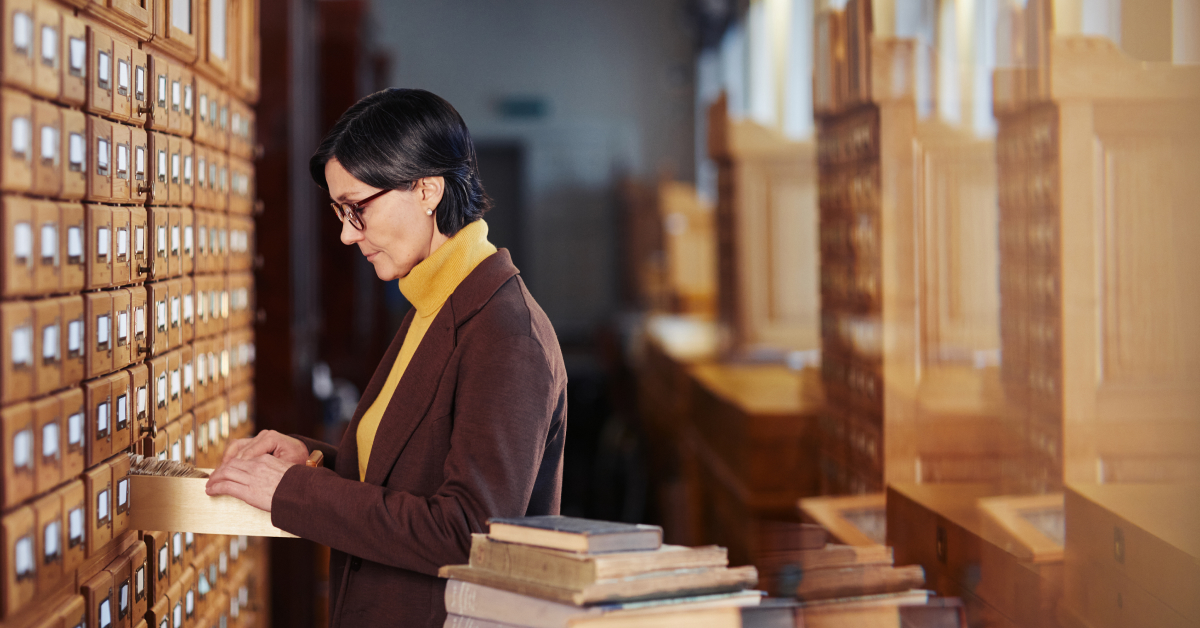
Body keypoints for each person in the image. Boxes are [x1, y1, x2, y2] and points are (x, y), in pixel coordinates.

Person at [205, 88, 568, 627]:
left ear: (426, 190)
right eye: (339, 211)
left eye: (357, 209)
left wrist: (297, 493)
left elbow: (468, 533)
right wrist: (309, 460)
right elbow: (412, 472)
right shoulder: (435, 301)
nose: (347, 234)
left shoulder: (507, 335)